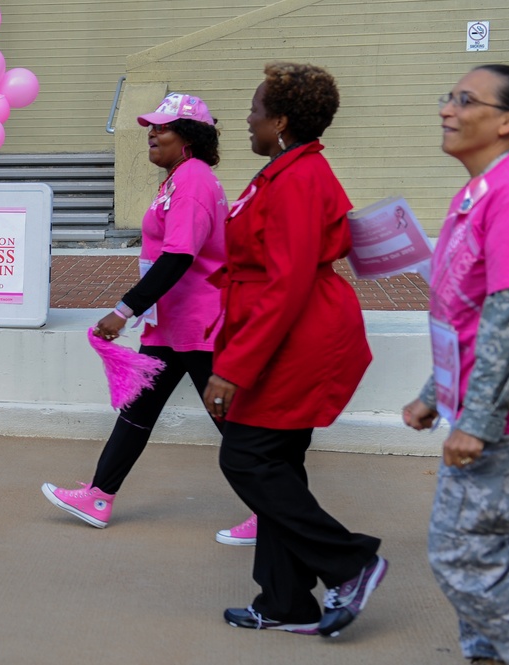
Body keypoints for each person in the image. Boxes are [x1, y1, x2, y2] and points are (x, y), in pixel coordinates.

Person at [202, 63, 386, 637]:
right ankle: (285, 600)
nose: (247, 119)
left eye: (255, 110)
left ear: (280, 120)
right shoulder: (283, 173)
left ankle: (351, 563)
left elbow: (287, 285)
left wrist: (231, 369)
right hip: (284, 331)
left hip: (300, 337)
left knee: (246, 457)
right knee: (277, 462)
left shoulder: (300, 177)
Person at [41, 92, 230, 528]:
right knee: (137, 412)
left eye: (162, 127)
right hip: (170, 325)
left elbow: (179, 256)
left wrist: (123, 311)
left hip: (199, 325)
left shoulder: (194, 180)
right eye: (151, 126)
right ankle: (99, 496)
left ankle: (277, 510)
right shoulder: (178, 178)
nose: (151, 133)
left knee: (232, 424)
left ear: (190, 137)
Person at [403, 64, 509, 665]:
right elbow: (467, 308)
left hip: (506, 423)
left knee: (463, 557)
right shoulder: (477, 191)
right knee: (487, 553)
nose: (446, 110)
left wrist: (477, 421)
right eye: (447, 97)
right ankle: (488, 655)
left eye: (465, 100)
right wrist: (436, 392)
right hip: (476, 407)